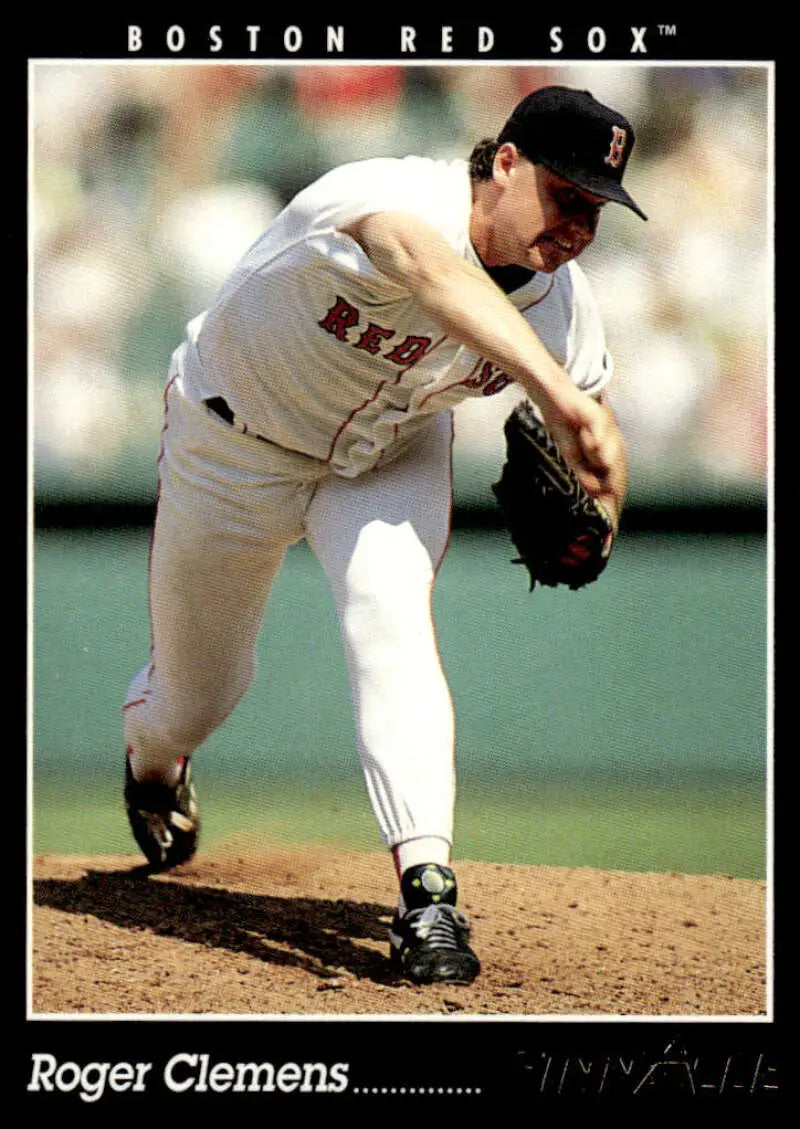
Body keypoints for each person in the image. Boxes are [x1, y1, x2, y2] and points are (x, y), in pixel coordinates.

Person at [122, 84, 646, 985]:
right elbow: (426, 269)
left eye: (596, 210)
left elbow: (597, 435)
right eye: (566, 196)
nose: (577, 227)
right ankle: (153, 760)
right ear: (506, 164)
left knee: (390, 615)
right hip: (230, 442)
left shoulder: (564, 302)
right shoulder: (390, 192)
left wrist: (600, 522)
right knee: (199, 694)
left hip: (381, 458)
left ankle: (427, 894)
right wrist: (552, 393)